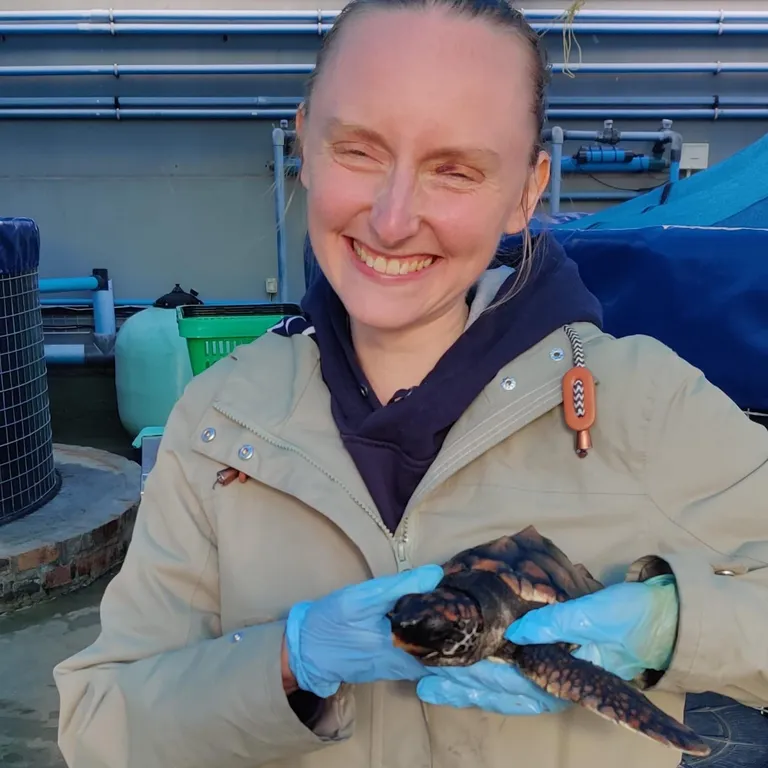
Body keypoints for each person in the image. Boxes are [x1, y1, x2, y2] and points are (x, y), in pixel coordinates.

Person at [54, 0, 768, 766]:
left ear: (528, 191)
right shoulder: (221, 420)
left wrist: (673, 625)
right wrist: (291, 661)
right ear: (305, 144)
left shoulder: (643, 403)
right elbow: (100, 726)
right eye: (359, 151)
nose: (393, 220)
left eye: (454, 170)